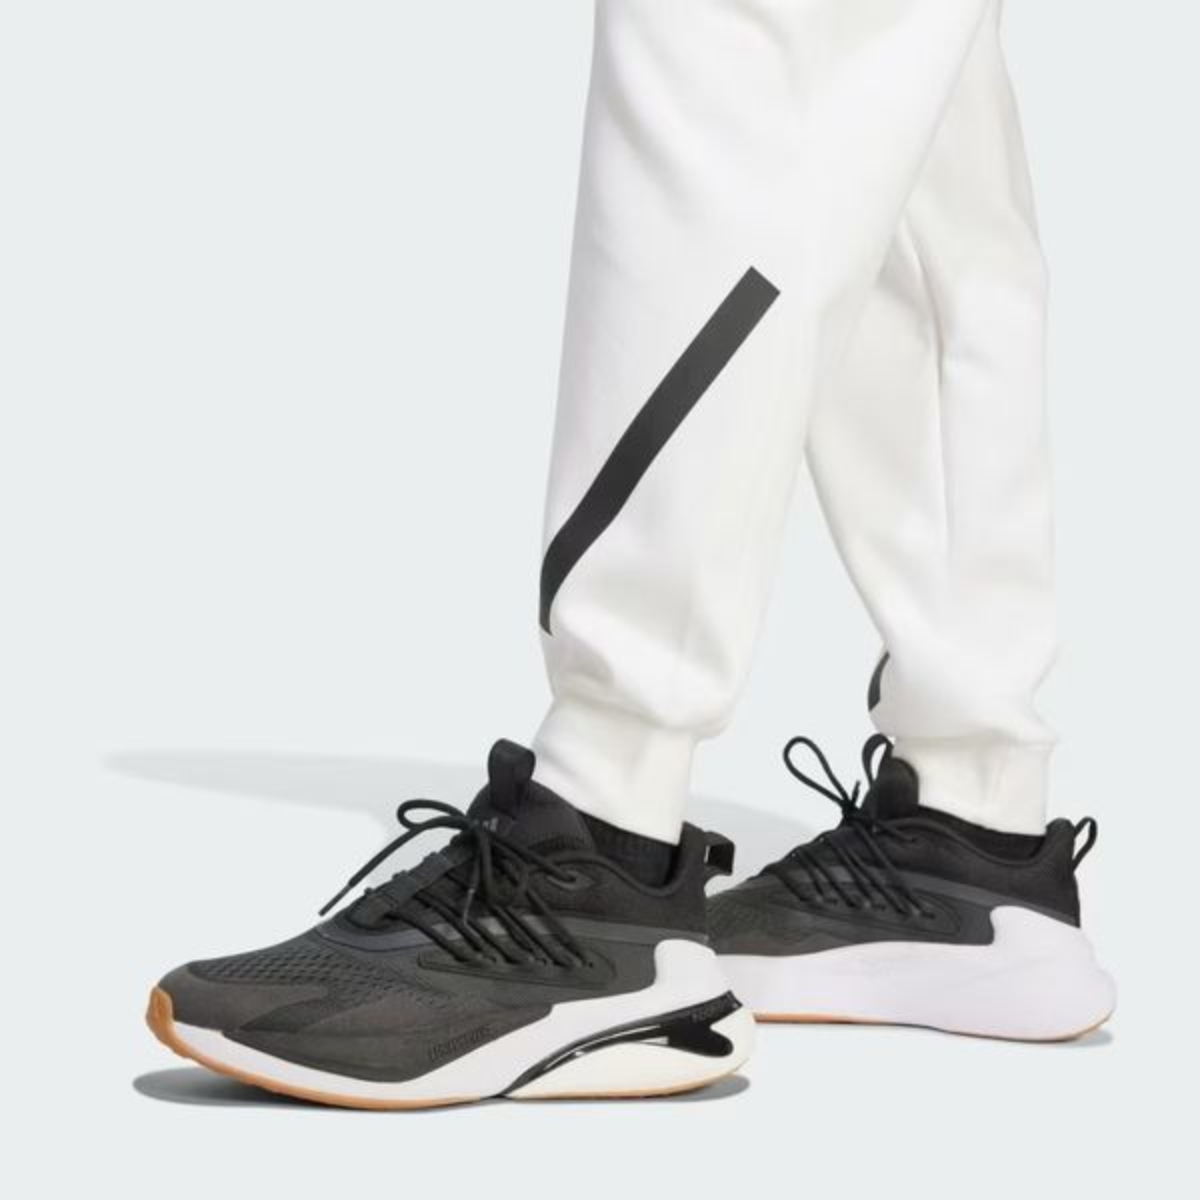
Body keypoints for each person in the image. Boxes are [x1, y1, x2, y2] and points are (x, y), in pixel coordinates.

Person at [145, 0, 1114, 1108]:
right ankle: (970, 823)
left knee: (739, 45)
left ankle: (600, 855)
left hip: (596, 901)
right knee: (918, 121)